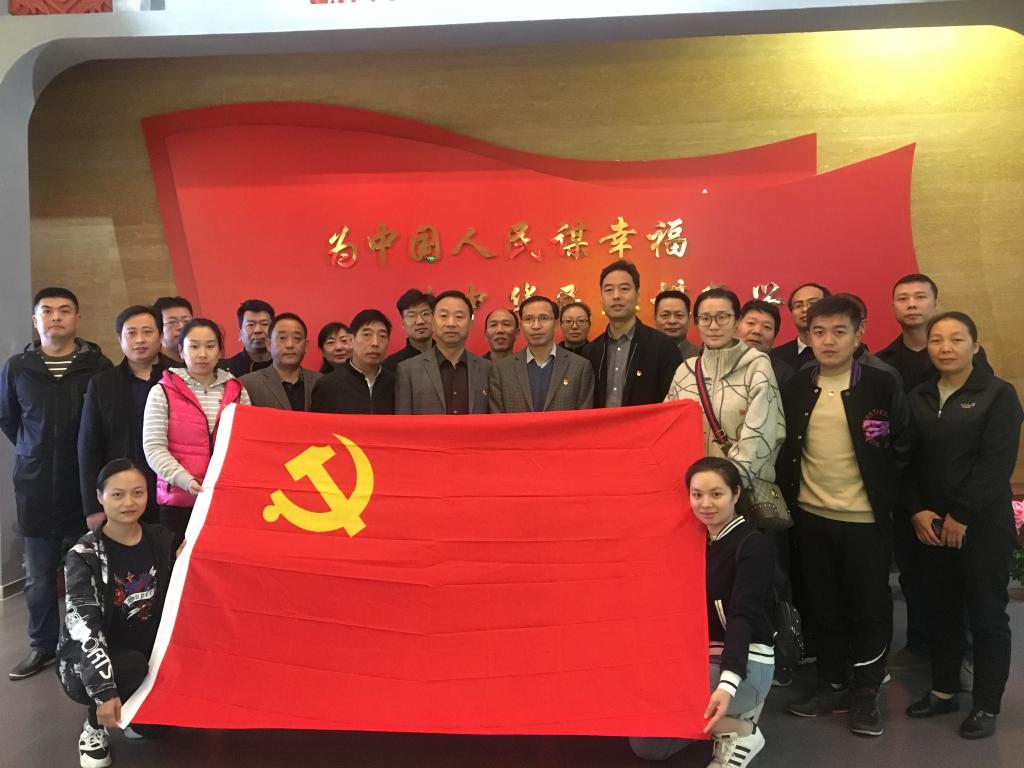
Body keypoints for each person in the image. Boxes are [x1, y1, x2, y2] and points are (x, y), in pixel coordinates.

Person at [778, 295, 911, 737]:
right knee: (823, 605)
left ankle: (866, 690)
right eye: (819, 332)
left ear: (859, 334)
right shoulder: (797, 385)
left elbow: (904, 446)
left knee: (869, 607)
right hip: (811, 517)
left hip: (865, 520)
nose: (828, 341)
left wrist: (889, 496)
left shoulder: (881, 383)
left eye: (839, 332)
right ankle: (832, 683)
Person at [904, 312, 1022, 740]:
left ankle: (987, 705)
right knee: (941, 612)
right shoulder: (918, 395)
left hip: (982, 526)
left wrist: (962, 515)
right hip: (931, 526)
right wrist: (917, 510)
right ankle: (944, 690)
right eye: (937, 340)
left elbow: (996, 462)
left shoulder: (998, 394)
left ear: (975, 344)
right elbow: (906, 458)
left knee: (987, 616)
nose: (946, 347)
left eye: (957, 339)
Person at [630, 457, 774, 767]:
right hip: (701, 658)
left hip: (746, 663)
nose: (705, 504)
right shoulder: (697, 540)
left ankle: (742, 731)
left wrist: (728, 683)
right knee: (647, 744)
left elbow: (742, 617)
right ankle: (724, 723)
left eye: (716, 494)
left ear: (736, 493)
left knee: (653, 699)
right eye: (697, 495)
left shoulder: (752, 545)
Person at [1, 287, 113, 681]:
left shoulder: (98, 366)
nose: (56, 317)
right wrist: (34, 449)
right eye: (47, 311)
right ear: (36, 321)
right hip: (34, 486)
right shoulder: (18, 367)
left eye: (65, 311)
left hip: (83, 488)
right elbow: (9, 419)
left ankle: (87, 645)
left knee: (88, 576)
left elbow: (104, 424)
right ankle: (43, 646)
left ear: (77, 319)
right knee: (38, 577)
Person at [57, 458, 176, 768]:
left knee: (155, 730)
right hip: (92, 658)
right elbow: (85, 628)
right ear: (100, 497)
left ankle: (132, 709)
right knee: (131, 666)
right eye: (118, 494)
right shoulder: (84, 555)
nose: (129, 502)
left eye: (138, 493)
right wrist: (104, 690)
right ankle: (93, 727)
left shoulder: (160, 538)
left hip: (146, 649)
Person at [143, 318, 250, 551]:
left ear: (220, 351)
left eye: (210, 346)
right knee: (180, 564)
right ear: (181, 351)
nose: (202, 354)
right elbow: (153, 447)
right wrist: (185, 480)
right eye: (194, 346)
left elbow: (246, 444)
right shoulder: (162, 391)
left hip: (225, 498)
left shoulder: (237, 390)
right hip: (179, 500)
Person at [665, 288, 785, 489]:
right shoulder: (685, 371)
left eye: (722, 317)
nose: (713, 326)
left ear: (737, 321)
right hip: (693, 490)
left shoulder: (757, 366)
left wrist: (726, 486)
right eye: (705, 318)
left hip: (739, 489)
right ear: (696, 322)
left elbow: (762, 435)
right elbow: (669, 429)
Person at [78, 305, 166, 529]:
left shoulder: (179, 377)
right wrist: (93, 507)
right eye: (131, 333)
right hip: (123, 495)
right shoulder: (102, 383)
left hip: (172, 491)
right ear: (119, 338)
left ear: (161, 336)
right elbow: (89, 446)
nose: (140, 340)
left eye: (147, 332)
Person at [582, 261, 681, 407]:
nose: (616, 296)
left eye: (624, 289)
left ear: (638, 295)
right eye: (608, 290)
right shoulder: (590, 352)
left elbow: (674, 405)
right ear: (601, 298)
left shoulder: (663, 347)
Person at [877, 274, 992, 394]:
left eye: (920, 297)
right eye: (902, 299)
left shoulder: (966, 352)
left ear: (936, 303)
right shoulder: (881, 361)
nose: (911, 305)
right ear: (893, 306)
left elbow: (987, 394)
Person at [488, 296, 594, 413]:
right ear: (521, 325)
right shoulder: (502, 370)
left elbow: (584, 419)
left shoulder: (580, 367)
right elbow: (497, 420)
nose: (536, 326)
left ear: (556, 323)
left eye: (543, 318)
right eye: (528, 319)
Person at [395, 290, 491, 415]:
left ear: (470, 324)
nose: (451, 323)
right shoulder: (408, 371)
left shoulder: (487, 369)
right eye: (444, 316)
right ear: (433, 323)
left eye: (459, 317)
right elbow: (403, 422)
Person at [311, 309, 396, 415]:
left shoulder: (395, 383)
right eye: (367, 335)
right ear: (351, 339)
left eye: (382, 336)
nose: (375, 343)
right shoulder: (327, 385)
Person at [240, 312, 322, 411]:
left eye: (297, 338)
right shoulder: (248, 384)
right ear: (269, 345)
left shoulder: (321, 382)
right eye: (282, 338)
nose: (290, 345)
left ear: (306, 346)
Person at [771, 282, 830, 373]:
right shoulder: (775, 357)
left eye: (812, 303)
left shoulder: (843, 352)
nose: (805, 309)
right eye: (798, 305)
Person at [737, 299, 793, 387]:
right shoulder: (718, 362)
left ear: (774, 336)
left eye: (767, 327)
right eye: (751, 323)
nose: (757, 331)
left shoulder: (783, 373)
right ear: (736, 326)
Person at [382, 289, 435, 371]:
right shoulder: (391, 365)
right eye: (412, 315)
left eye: (425, 314)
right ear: (403, 323)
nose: (420, 321)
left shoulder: (448, 357)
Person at [223, 298, 275, 378]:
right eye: (250, 325)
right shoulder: (225, 371)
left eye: (264, 324)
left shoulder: (286, 366)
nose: (258, 330)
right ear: (240, 333)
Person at [654, 289, 699, 359]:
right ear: (655, 318)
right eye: (665, 315)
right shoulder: (642, 355)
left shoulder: (701, 357)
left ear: (689, 319)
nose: (672, 321)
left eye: (679, 315)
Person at [152, 296, 193, 365]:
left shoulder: (202, 360)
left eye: (186, 321)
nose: (181, 326)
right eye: (172, 322)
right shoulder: (152, 365)